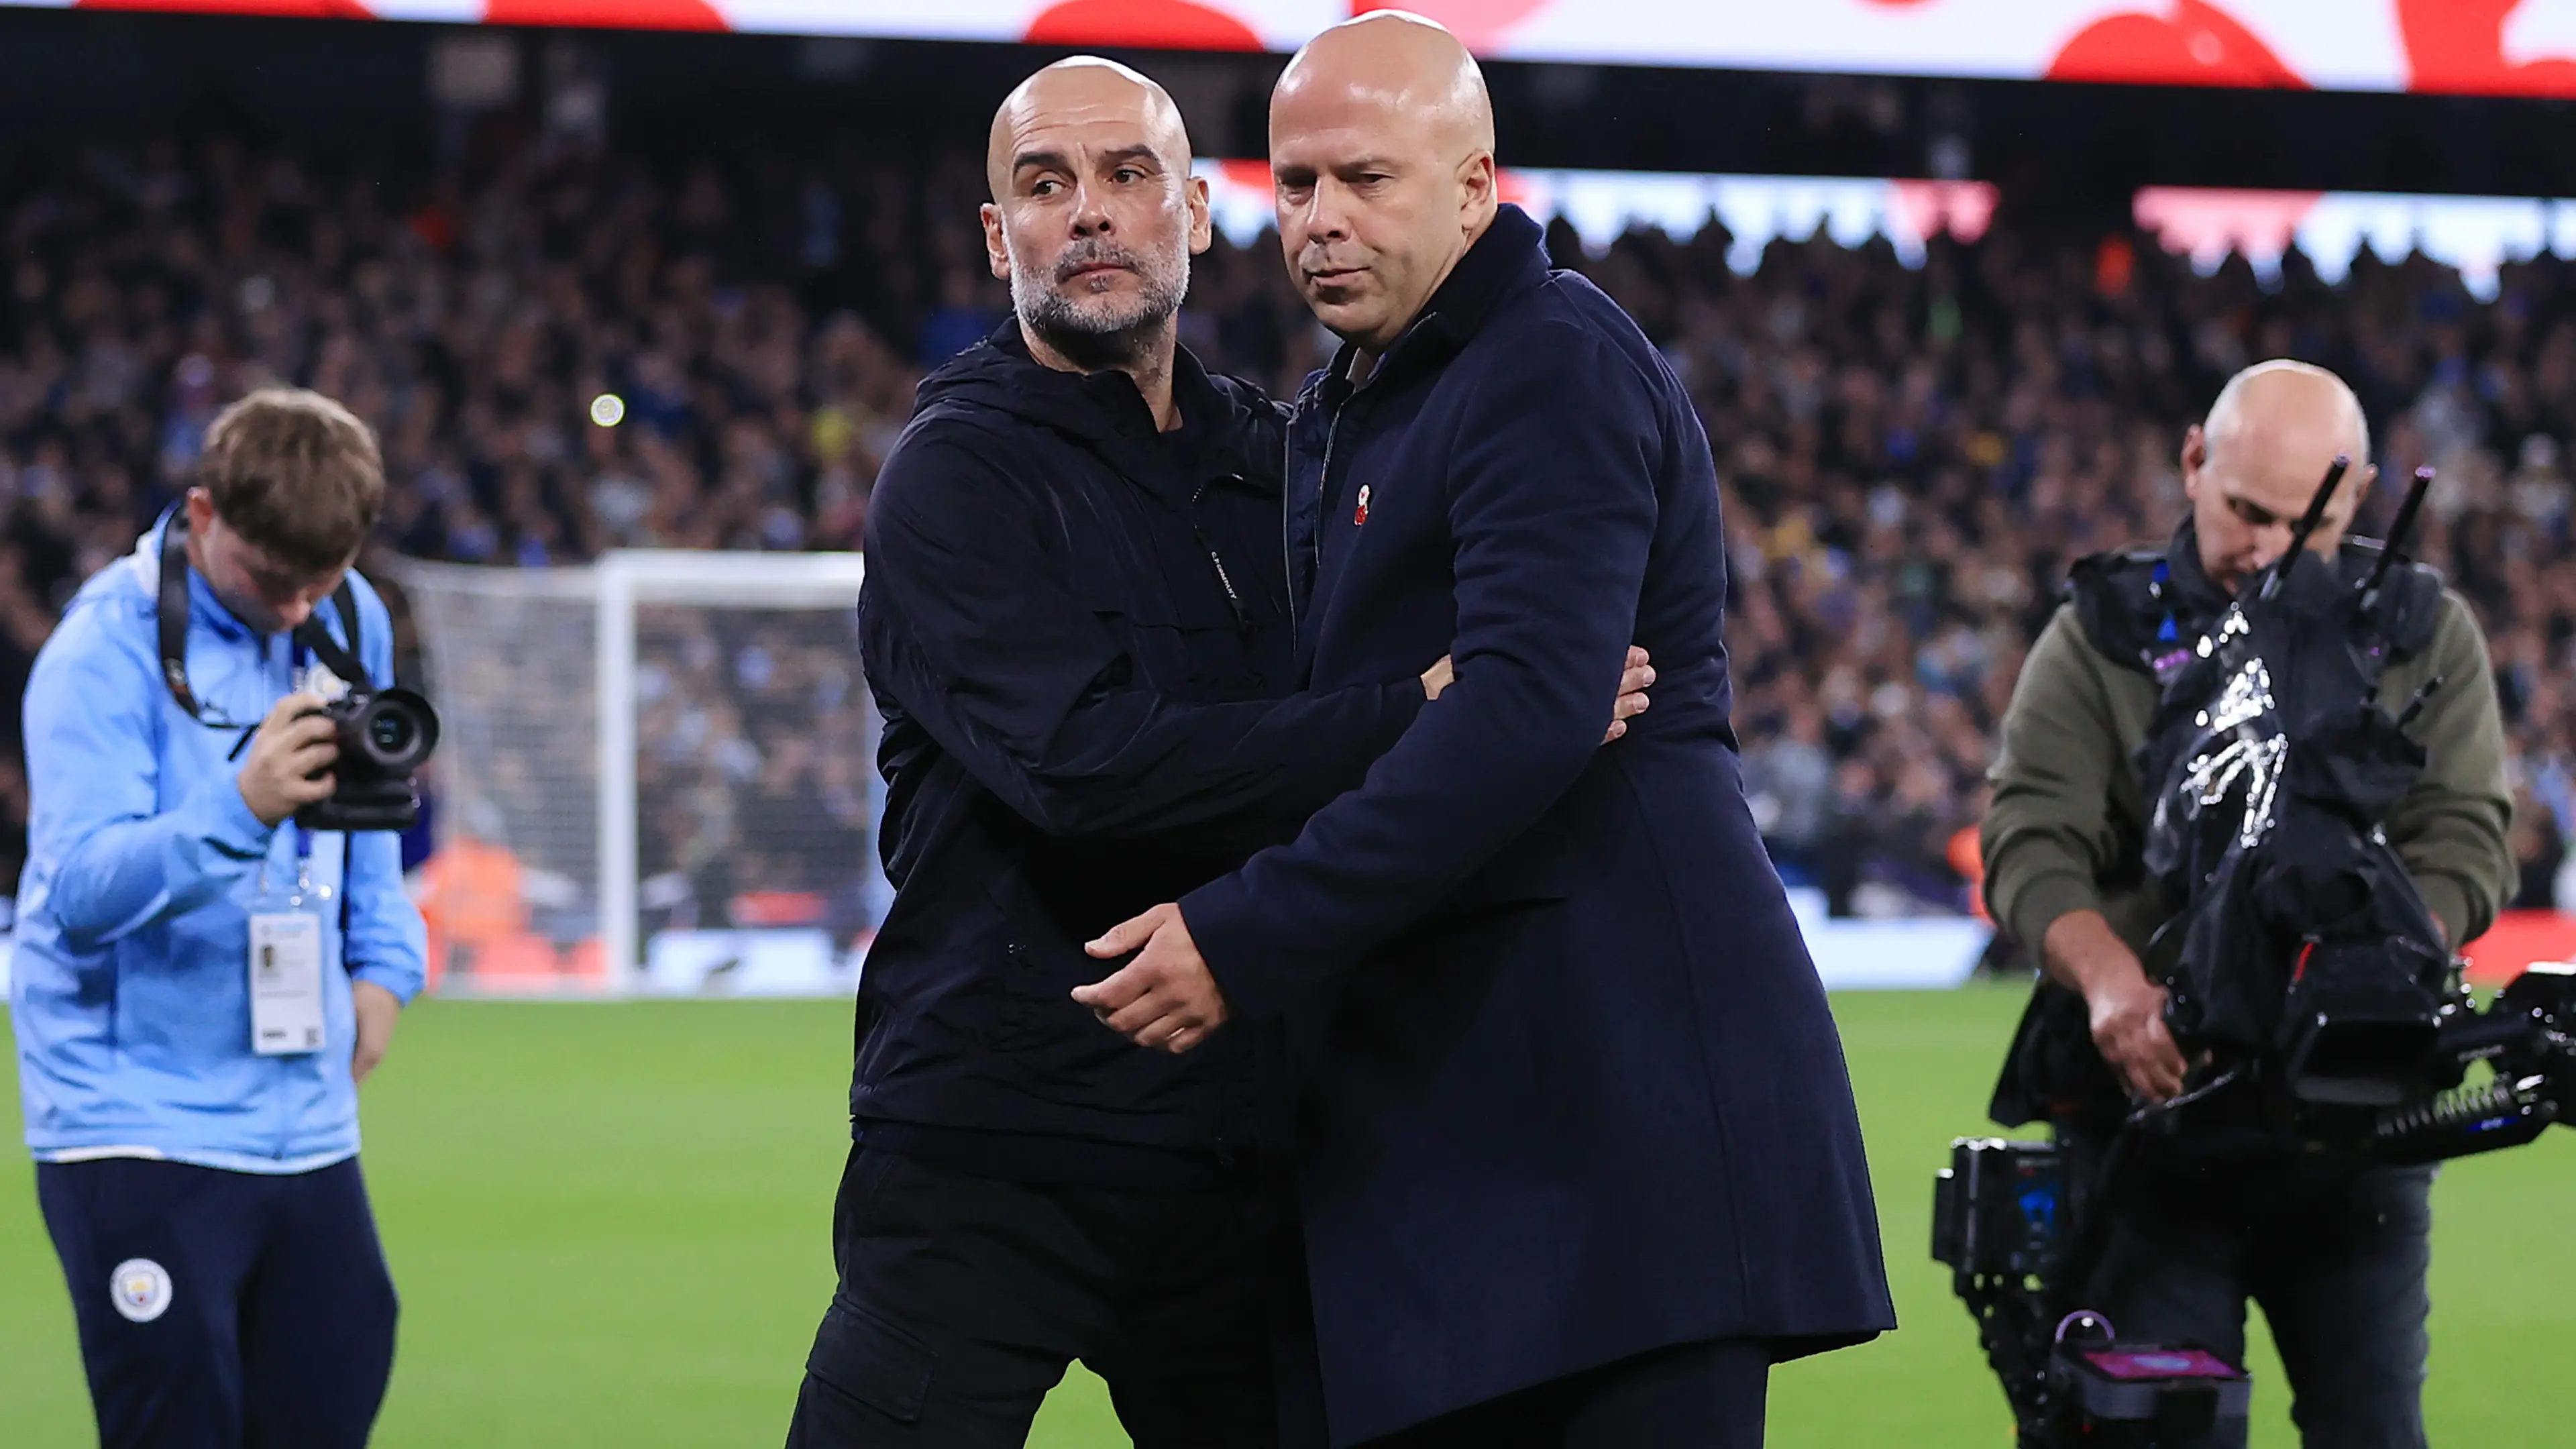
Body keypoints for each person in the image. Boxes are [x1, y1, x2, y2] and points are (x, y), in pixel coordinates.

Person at [785, 57, 1650, 1449]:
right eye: (1045, 185)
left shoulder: (1291, 456)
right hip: (997, 1139)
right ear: (997, 238)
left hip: (1244, 1138)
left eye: (1129, 176)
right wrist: (1417, 712)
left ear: (1194, 212)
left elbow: (1454, 706)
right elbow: (1089, 767)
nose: (1091, 215)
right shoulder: (955, 474)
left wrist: (1512, 689)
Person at [1076, 15, 1896, 1447]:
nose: (1321, 220)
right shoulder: (1359, 400)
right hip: (1483, 1133)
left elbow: (1529, 708)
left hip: (1616, 1128)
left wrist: (1245, 934)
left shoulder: (1549, 358)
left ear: (1475, 188)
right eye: (1298, 184)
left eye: (1366, 180)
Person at [1979, 360, 2516, 1448]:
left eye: (2301, 518)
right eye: (2244, 511)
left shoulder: (2423, 629)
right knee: (2168, 1432)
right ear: (2191, 463)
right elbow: (2031, 839)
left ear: (2359, 496)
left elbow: (2466, 838)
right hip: (2154, 1122)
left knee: (2373, 1428)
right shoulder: (2105, 630)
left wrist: (2385, 963)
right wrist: (2110, 986)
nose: (2266, 546)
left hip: (2358, 1126)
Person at [11, 387, 427, 1449]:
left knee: (332, 1392)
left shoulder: (350, 614)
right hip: (135, 1114)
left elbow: (373, 798)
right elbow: (77, 894)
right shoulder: (99, 654)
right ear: (201, 514)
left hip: (302, 1115)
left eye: (319, 583)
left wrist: (383, 965)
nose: (297, 611)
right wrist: (239, 809)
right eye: (270, 581)